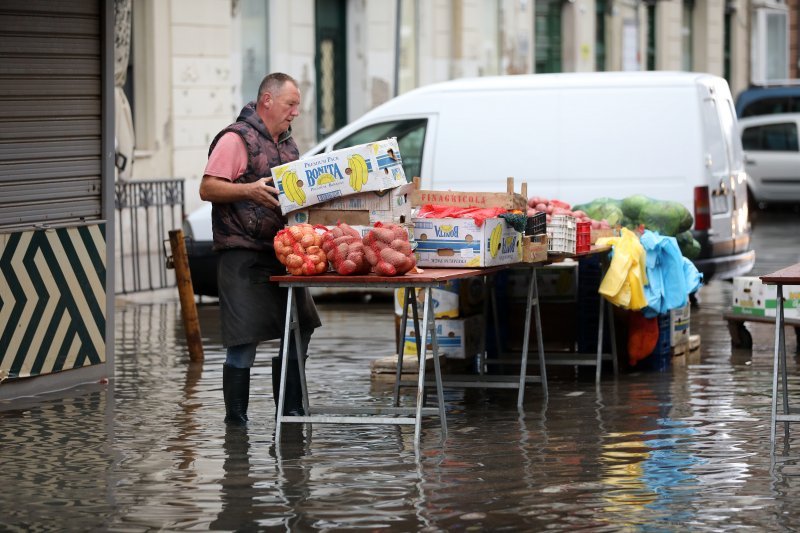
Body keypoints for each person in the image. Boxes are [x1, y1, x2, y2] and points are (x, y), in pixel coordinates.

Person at [200, 72, 321, 425]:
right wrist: (249, 190)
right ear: (267, 100)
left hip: (284, 252)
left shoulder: (287, 144)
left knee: (303, 324)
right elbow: (208, 188)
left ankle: (290, 411)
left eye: (297, 105)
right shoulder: (235, 139)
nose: (295, 112)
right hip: (241, 254)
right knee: (243, 341)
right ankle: (236, 424)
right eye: (291, 104)